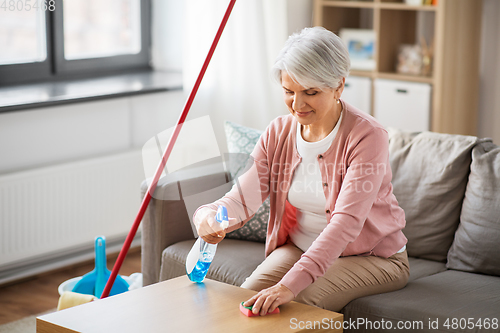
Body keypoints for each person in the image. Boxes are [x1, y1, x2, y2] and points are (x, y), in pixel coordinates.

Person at [193, 26, 409, 316]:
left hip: (373, 258)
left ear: (339, 86)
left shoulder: (367, 136)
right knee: (246, 301)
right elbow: (243, 197)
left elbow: (345, 223)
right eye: (288, 91)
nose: (297, 104)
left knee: (295, 306)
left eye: (311, 92)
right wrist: (206, 216)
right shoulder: (278, 133)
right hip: (299, 247)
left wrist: (289, 285)